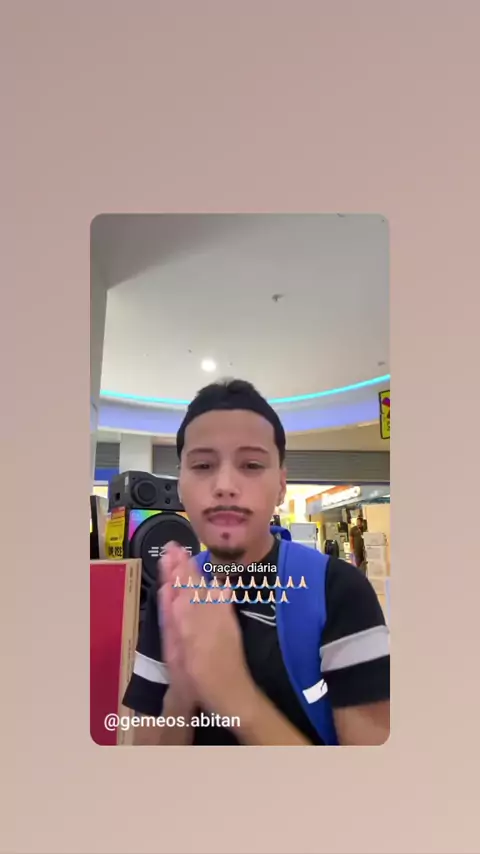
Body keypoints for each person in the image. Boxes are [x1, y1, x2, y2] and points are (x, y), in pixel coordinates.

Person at [123, 379, 390, 745]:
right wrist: (183, 691)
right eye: (202, 465)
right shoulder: (170, 593)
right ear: (181, 484)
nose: (225, 485)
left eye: (251, 464)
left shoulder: (340, 591)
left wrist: (233, 693)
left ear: (281, 485)